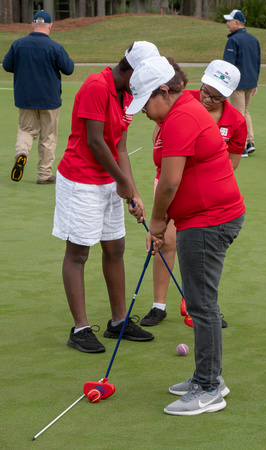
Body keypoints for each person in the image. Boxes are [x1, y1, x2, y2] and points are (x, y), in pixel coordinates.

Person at [126, 56, 245, 415]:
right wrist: (165, 222)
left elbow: (170, 182)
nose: (144, 111)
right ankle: (207, 376)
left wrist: (159, 223)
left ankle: (209, 389)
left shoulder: (181, 118)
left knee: (201, 304)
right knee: (200, 302)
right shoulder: (181, 111)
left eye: (146, 101)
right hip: (202, 218)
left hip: (209, 220)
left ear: (165, 91)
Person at [52, 41, 160, 353]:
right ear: (131, 69)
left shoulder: (128, 94)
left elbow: (120, 148)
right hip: (80, 180)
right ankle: (81, 329)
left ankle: (118, 322)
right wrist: (122, 182)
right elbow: (96, 142)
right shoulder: (96, 86)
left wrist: (133, 192)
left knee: (115, 247)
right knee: (79, 253)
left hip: (108, 180)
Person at [140, 59, 246, 328]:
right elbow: (161, 140)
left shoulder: (236, 121)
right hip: (167, 183)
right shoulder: (182, 101)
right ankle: (159, 305)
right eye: (206, 91)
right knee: (168, 243)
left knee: (201, 250)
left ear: (228, 96)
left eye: (216, 96)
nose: (208, 99)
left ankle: (199, 305)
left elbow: (230, 162)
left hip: (204, 196)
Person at [3, 10, 74, 184]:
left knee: (26, 131)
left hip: (25, 97)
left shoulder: (18, 44)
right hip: (49, 99)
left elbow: (7, 65)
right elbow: (69, 68)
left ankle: (22, 154)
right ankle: (43, 174)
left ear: (32, 24)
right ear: (50, 25)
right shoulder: (55, 47)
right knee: (48, 137)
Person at [223, 9, 261, 157]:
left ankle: (242, 146)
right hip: (250, 82)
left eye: (229, 21)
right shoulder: (254, 39)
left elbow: (228, 65)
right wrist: (255, 82)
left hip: (237, 84)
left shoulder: (233, 40)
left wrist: (225, 84)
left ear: (236, 23)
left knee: (238, 114)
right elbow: (257, 63)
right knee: (244, 112)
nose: (227, 23)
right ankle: (250, 142)